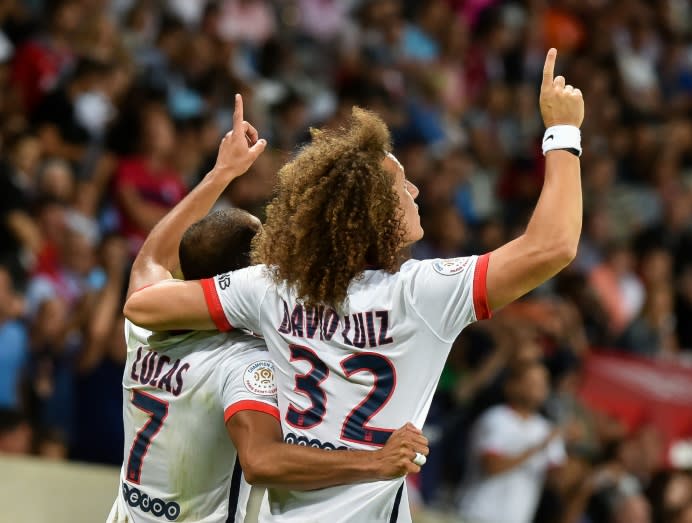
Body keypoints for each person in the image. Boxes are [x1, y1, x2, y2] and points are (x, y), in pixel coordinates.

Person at [124, 48, 584, 522]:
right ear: (376, 215)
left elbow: (142, 306)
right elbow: (553, 247)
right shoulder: (422, 294)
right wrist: (563, 132)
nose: (416, 191)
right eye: (403, 184)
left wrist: (220, 175)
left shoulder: (270, 288)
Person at [110, 95, 428, 523]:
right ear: (247, 277)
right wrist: (375, 462)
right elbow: (261, 461)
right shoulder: (245, 365)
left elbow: (152, 259)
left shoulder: (143, 331)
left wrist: (222, 173)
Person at [459, 364, 566, 523]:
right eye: (531, 382)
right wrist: (539, 447)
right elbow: (492, 466)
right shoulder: (495, 418)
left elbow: (557, 482)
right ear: (512, 386)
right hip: (477, 513)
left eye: (542, 384)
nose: (537, 388)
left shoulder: (547, 429)